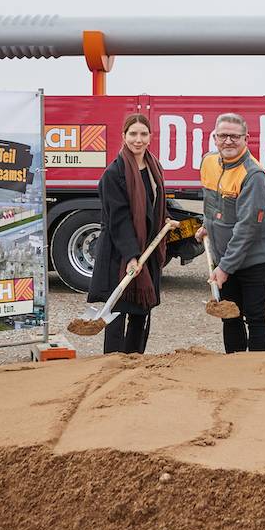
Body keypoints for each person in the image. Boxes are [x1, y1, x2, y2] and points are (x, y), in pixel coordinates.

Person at [196, 112, 265, 352]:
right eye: (223, 136)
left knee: (255, 318)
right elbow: (212, 204)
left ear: (246, 139)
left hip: (254, 261)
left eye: (234, 136)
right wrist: (207, 226)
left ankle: (259, 373)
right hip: (224, 259)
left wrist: (224, 268)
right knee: (230, 317)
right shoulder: (209, 162)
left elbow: (247, 228)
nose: (228, 141)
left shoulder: (254, 175)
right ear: (214, 138)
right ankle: (234, 373)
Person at [89, 113, 168, 355]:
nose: (138, 139)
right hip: (120, 251)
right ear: (124, 136)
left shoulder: (155, 167)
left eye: (143, 134)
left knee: (142, 309)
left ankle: (135, 358)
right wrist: (132, 255)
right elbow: (119, 219)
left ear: (150, 137)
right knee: (118, 308)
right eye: (133, 134)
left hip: (148, 248)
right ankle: (112, 360)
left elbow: (156, 205)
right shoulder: (114, 173)